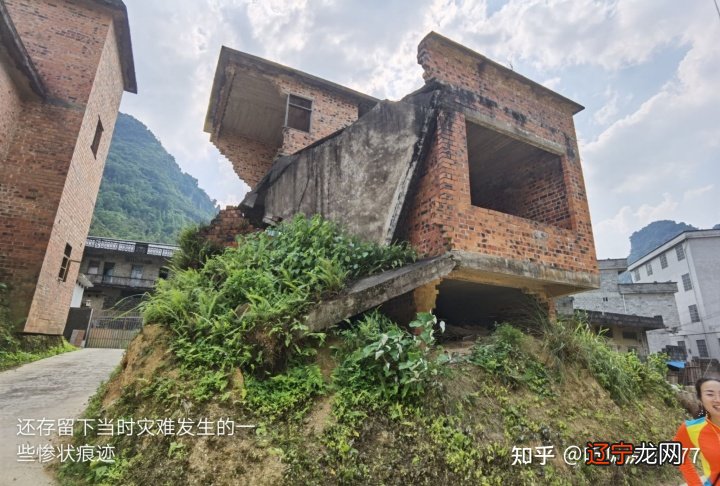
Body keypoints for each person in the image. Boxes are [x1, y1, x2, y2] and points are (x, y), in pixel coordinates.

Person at [674, 376, 720, 485]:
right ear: (700, 399)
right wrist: (694, 483)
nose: (718, 399)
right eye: (710, 394)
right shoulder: (692, 429)